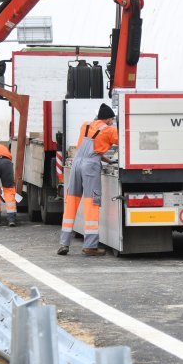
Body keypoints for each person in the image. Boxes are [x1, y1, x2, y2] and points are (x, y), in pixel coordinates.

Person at [57, 103, 118, 256]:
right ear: (109, 119)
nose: (112, 122)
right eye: (112, 119)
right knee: (92, 203)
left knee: (71, 202)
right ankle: (90, 246)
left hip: (76, 163)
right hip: (90, 167)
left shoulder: (86, 125)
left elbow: (89, 147)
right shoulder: (110, 130)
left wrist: (105, 159)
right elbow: (125, 141)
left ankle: (64, 243)